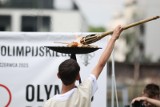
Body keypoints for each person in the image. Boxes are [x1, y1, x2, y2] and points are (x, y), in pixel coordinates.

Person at [44, 25, 123, 107]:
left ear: (58, 75)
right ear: (78, 76)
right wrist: (113, 38)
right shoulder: (84, 92)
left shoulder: (50, 104)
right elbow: (101, 64)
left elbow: (101, 64)